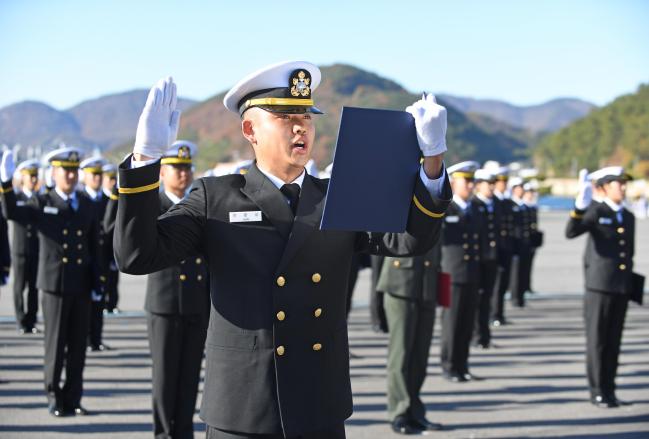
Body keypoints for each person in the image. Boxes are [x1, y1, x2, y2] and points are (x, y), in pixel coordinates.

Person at [113, 62, 451, 439]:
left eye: (307, 116)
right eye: (285, 116)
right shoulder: (216, 196)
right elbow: (138, 255)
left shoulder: (338, 196)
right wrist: (144, 160)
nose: (300, 126)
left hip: (319, 400)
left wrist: (432, 162)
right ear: (250, 129)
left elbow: (411, 240)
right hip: (245, 404)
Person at [0, 146, 102, 417]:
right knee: (56, 345)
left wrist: (97, 284)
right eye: (64, 171)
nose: (69, 176)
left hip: (80, 285)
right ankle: (54, 396)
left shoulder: (87, 204)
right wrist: (5, 184)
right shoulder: (42, 202)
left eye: (73, 171)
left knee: (78, 347)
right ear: (54, 173)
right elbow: (12, 213)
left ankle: (74, 397)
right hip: (54, 285)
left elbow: (94, 246)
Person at [146, 140, 210, 439]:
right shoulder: (152, 205)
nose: (183, 174)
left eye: (187, 168)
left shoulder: (200, 204)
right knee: (165, 375)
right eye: (177, 168)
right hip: (166, 302)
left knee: (189, 376)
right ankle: (163, 433)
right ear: (162, 172)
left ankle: (184, 432)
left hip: (196, 302)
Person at [566, 167, 636, 408]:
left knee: (614, 342)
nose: (623, 188)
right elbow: (571, 232)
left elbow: (629, 254)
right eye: (618, 184)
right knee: (597, 341)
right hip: (599, 286)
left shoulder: (628, 216)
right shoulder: (596, 211)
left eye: (624, 184)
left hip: (621, 287)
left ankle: (610, 389)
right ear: (604, 187)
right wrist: (579, 209)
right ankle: (597, 391)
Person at [378, 241, 443, 434]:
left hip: (427, 282)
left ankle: (415, 410)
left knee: (420, 354)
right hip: (400, 283)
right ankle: (399, 412)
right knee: (401, 354)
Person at [439, 161, 485, 382]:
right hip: (450, 274)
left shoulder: (475, 208)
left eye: (472, 181)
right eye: (466, 181)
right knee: (452, 323)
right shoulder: (445, 208)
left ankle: (462, 364)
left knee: (467, 322)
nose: (470, 185)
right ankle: (449, 365)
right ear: (453, 183)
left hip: (472, 273)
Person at [79, 155, 112, 351]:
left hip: (103, 257)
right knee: (83, 302)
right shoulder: (80, 201)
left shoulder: (109, 201)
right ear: (85, 176)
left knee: (100, 299)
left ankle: (96, 339)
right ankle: (83, 338)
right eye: (93, 175)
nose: (97, 178)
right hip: (85, 258)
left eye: (99, 175)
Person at [11, 159, 41, 334]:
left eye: (35, 176)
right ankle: (20, 320)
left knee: (34, 287)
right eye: (30, 176)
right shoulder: (16, 198)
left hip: (36, 249)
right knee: (19, 287)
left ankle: (32, 320)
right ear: (22, 177)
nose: (33, 179)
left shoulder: (40, 198)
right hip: (20, 250)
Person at [471, 169, 500, 349]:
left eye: (492, 184)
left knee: (487, 297)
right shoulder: (473, 205)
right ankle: (476, 335)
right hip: (477, 258)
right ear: (478, 185)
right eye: (487, 184)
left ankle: (485, 336)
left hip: (492, 258)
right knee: (476, 299)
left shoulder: (496, 203)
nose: (491, 187)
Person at [490, 166, 514, 326]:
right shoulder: (492, 202)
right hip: (494, 250)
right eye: (500, 182)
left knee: (503, 283)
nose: (503, 185)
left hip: (505, 248)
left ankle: (499, 312)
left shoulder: (505, 201)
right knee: (496, 285)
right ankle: (495, 314)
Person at [507, 176, 532, 308]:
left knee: (523, 271)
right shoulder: (510, 205)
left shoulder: (524, 206)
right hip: (515, 245)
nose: (522, 190)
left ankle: (521, 297)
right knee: (515, 273)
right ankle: (515, 298)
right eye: (519, 188)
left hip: (525, 245)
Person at [100, 163, 120, 314]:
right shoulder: (100, 198)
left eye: (114, 178)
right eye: (109, 178)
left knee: (114, 277)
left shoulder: (117, 198)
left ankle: (112, 303)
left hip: (113, 244)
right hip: (100, 245)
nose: (112, 182)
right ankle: (102, 302)